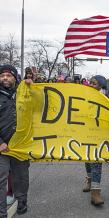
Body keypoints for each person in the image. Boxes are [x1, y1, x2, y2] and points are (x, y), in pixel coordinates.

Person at [0, 65, 30, 217]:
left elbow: (41, 107)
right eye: (2, 75)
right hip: (2, 147)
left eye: (8, 75)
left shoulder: (24, 93)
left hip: (21, 145)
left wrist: (32, 88)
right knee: (1, 179)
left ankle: (22, 200)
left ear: (15, 77)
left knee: (21, 176)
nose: (5, 78)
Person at [82, 75, 107, 206]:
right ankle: (90, 180)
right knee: (87, 160)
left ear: (101, 86)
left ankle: (95, 192)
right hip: (85, 133)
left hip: (99, 136)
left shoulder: (105, 99)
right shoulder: (82, 97)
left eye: (95, 83)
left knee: (96, 163)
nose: (91, 85)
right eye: (91, 82)